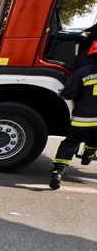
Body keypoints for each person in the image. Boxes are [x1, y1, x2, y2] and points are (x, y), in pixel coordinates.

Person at [49, 40, 97, 189]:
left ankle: (58, 172)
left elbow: (69, 93)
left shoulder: (83, 72)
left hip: (83, 119)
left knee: (70, 143)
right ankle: (89, 152)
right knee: (95, 137)